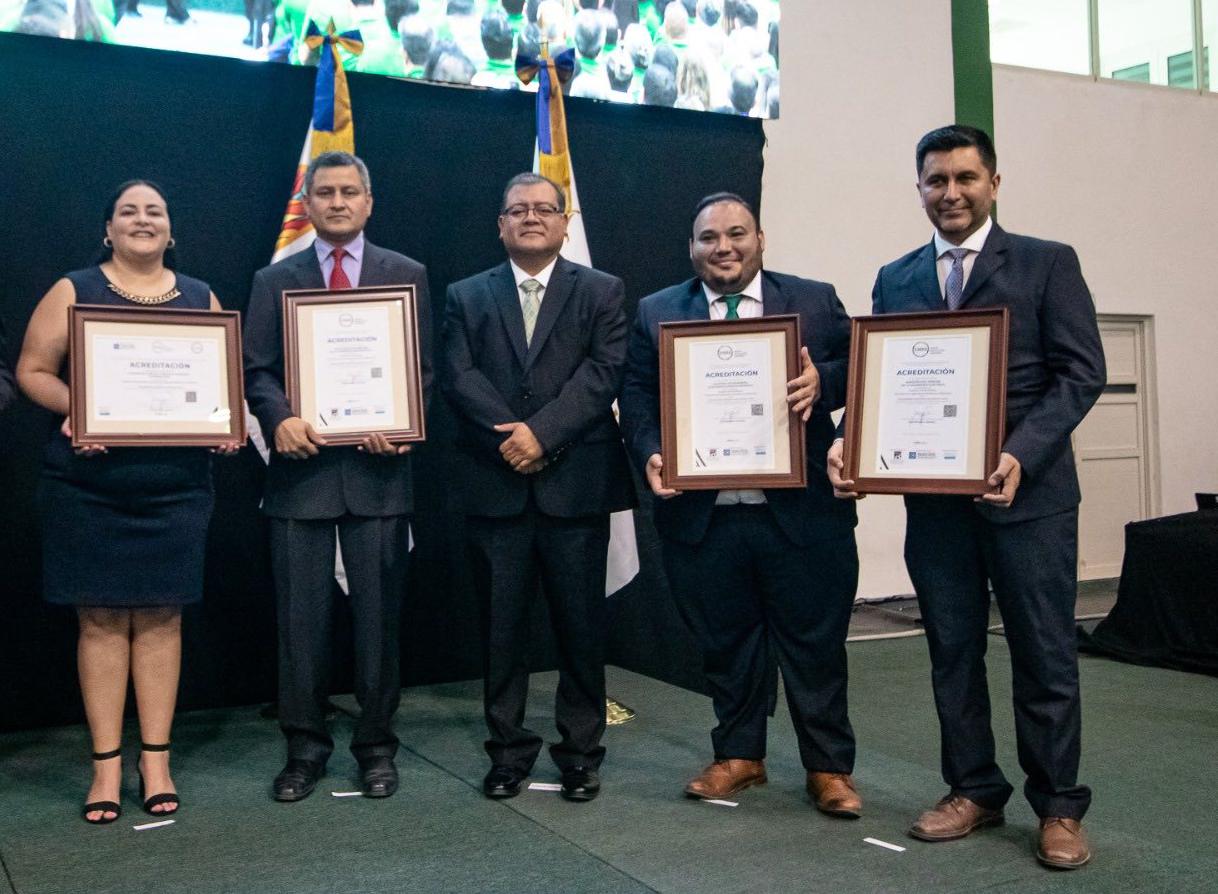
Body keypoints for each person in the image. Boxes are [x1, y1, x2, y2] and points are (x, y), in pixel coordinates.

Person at [828, 125, 1105, 869]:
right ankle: (974, 788)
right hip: (935, 505)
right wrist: (849, 439)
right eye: (936, 181)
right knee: (951, 650)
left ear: (994, 184)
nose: (950, 193)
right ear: (919, 189)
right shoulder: (896, 277)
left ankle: (1058, 806)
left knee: (1044, 653)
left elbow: (1082, 373)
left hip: (1029, 499)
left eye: (965, 178)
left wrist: (1020, 453)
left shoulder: (1047, 263)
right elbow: (878, 375)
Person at [619, 193, 862, 817]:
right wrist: (650, 451)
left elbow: (860, 368)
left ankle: (829, 768)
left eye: (736, 234)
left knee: (815, 645)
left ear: (760, 240)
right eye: (708, 238)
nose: (723, 247)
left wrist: (824, 382)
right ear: (691, 248)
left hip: (803, 513)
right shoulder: (656, 311)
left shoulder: (813, 300)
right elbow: (637, 394)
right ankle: (739, 755)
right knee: (725, 644)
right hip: (703, 515)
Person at [16, 180, 240, 824]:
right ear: (108, 229)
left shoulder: (200, 297)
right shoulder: (74, 289)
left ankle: (156, 761)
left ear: (171, 230)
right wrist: (79, 410)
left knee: (164, 619)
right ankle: (106, 766)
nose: (143, 220)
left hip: (176, 488)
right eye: (128, 211)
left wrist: (225, 422)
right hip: (89, 488)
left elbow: (220, 384)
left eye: (155, 212)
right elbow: (32, 370)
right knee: (101, 622)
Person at [243, 150, 433, 802]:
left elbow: (422, 370)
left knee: (379, 625)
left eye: (350, 191)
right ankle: (304, 751)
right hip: (301, 477)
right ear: (309, 203)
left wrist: (403, 425)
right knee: (300, 627)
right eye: (325, 192)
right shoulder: (275, 279)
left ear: (369, 201)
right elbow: (257, 369)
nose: (338, 202)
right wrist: (278, 419)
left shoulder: (407, 274)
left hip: (380, 475)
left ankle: (376, 749)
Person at [442, 173, 635, 803]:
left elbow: (604, 372)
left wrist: (542, 435)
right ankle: (508, 753)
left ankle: (580, 754)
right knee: (501, 632)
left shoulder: (602, 290)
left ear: (563, 222)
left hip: (575, 487)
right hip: (494, 482)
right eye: (518, 210)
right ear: (500, 224)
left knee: (580, 630)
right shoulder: (466, 294)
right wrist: (513, 437)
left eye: (544, 209)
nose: (531, 217)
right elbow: (458, 374)